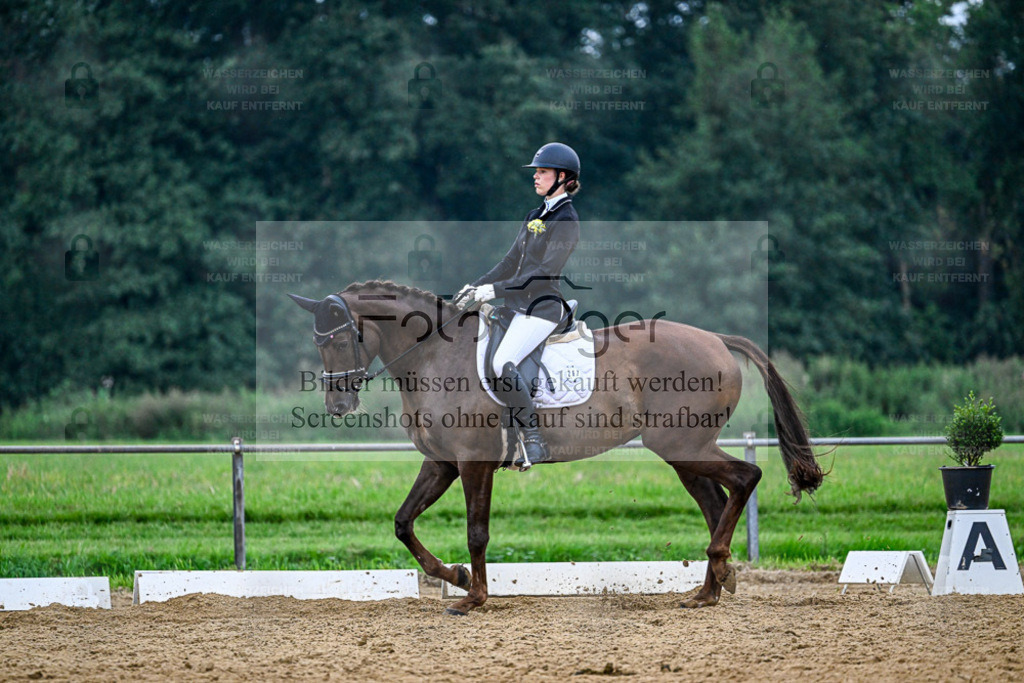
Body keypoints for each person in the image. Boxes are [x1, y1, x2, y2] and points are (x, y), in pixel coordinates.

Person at [456, 142, 581, 469]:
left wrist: (494, 290)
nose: (535, 177)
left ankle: (534, 440)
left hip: (542, 309)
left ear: (562, 177)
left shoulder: (566, 220)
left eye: (542, 172)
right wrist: (476, 285)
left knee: (502, 362)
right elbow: (511, 261)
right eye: (536, 172)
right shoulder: (535, 215)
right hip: (516, 308)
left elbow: (543, 273)